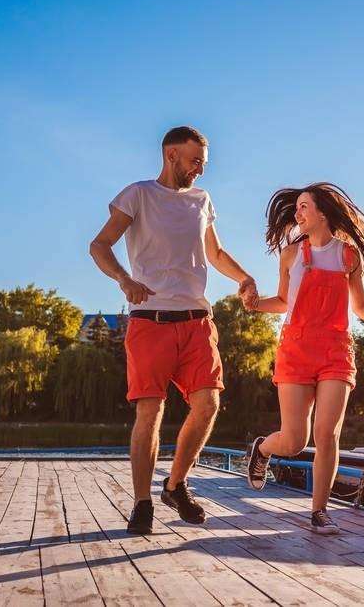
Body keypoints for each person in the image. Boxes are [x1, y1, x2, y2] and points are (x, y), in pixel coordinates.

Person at [90, 125, 258, 534]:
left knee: (208, 405)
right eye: (195, 160)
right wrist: (124, 280)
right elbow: (99, 245)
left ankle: (176, 484)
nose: (200, 169)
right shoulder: (138, 194)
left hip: (198, 322)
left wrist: (244, 278)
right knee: (150, 413)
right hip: (151, 321)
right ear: (171, 155)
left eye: (203, 162)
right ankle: (143, 501)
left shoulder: (202, 200)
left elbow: (214, 252)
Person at [244, 183, 364, 534]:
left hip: (335, 349)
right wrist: (255, 304)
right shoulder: (291, 255)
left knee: (327, 434)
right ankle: (262, 449)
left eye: (304, 207)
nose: (297, 213)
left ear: (322, 212)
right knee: (294, 441)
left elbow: (361, 307)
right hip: (296, 348)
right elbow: (283, 302)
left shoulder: (349, 256)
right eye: (297, 207)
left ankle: (319, 512)